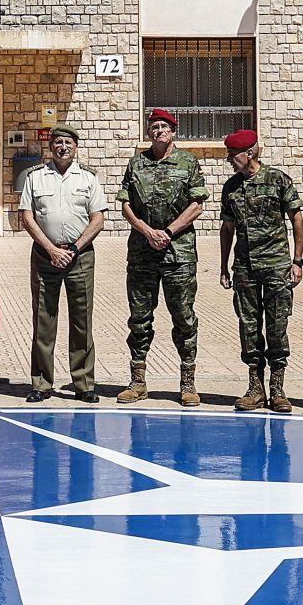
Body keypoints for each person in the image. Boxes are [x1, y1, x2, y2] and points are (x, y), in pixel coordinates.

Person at [117, 108, 208, 406]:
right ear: (148, 133)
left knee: (183, 318)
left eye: (163, 127)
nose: (158, 131)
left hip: (178, 254)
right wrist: (146, 230)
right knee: (140, 318)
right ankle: (138, 380)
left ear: (173, 131)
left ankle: (187, 382)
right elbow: (125, 204)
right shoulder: (136, 163)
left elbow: (196, 204)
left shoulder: (188, 162)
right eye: (154, 127)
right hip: (143, 254)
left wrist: (167, 232)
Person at [18, 127, 108, 403]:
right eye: (58, 142)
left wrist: (73, 248)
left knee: (82, 321)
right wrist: (51, 249)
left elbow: (98, 218)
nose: (63, 147)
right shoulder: (35, 177)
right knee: (44, 321)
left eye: (68, 142)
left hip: (80, 256)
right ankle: (42, 383)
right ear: (51, 147)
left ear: (76, 147)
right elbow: (26, 215)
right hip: (46, 256)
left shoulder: (88, 178)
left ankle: (83, 384)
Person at [219, 129, 303, 412]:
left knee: (277, 325)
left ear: (250, 153)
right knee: (249, 326)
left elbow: (296, 220)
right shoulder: (231, 187)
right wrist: (223, 265)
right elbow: (227, 228)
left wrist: (297, 261)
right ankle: (255, 388)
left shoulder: (278, 180)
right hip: (244, 266)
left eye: (234, 155)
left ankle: (278, 388)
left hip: (277, 266)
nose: (230, 160)